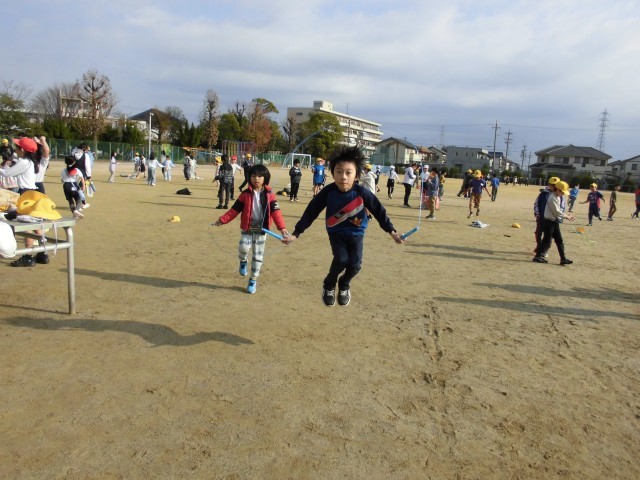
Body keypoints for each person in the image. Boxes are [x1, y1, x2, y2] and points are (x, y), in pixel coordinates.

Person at [284, 146, 405, 307]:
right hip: (336, 232)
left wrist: (392, 232)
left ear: (357, 176)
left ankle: (344, 284)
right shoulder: (328, 192)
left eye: (348, 172)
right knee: (341, 259)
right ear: (333, 173)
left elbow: (378, 211)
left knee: (355, 265)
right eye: (339, 171)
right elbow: (311, 211)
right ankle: (329, 284)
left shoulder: (362, 192)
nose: (343, 177)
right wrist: (296, 233)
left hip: (356, 233)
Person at [215, 164, 289, 294]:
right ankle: (243, 261)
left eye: (260, 176)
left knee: (257, 255)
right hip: (248, 227)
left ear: (265, 178)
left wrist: (282, 228)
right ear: (249, 177)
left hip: (262, 229)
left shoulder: (270, 195)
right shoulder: (245, 194)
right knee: (243, 248)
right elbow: (234, 210)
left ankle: (253, 280)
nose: (256, 179)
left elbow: (276, 212)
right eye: (254, 176)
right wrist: (223, 220)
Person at [0, 137, 48, 267]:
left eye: (17, 147)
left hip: (26, 194)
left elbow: (7, 174)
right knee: (35, 225)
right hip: (32, 193)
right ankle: (43, 253)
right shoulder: (31, 161)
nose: (15, 149)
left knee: (26, 225)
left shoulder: (24, 161)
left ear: (23, 150)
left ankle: (28, 256)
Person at [532, 181, 574, 265]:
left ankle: (563, 258)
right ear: (558, 189)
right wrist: (567, 216)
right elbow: (556, 212)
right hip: (549, 222)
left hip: (554, 221)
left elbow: (558, 211)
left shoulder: (557, 197)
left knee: (559, 240)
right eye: (562, 192)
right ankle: (537, 256)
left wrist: (566, 215)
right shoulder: (552, 198)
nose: (563, 194)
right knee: (546, 240)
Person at [533, 177, 560, 257]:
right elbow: (536, 204)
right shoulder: (543, 194)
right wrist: (537, 214)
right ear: (549, 185)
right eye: (552, 185)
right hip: (541, 218)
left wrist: (559, 216)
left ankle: (544, 250)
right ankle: (539, 245)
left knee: (549, 236)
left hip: (552, 219)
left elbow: (561, 207)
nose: (554, 186)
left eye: (556, 185)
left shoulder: (559, 194)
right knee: (538, 233)